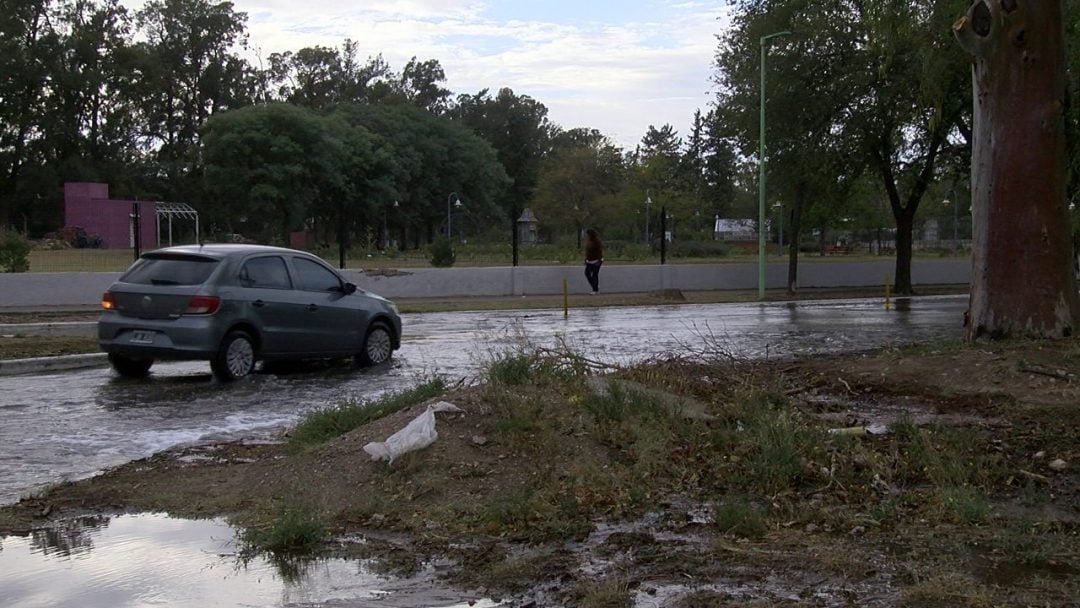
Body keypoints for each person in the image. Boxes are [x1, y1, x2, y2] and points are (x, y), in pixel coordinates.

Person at [583, 228, 603, 294]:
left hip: (596, 260)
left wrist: (599, 260)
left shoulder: (597, 241)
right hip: (589, 260)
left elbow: (600, 251)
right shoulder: (588, 242)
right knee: (587, 274)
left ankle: (595, 290)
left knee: (595, 275)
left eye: (587, 235)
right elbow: (587, 251)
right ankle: (595, 287)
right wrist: (586, 259)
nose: (586, 236)